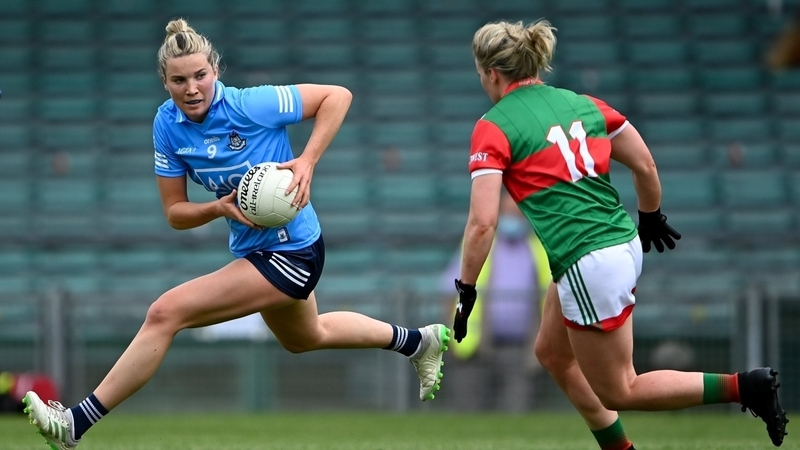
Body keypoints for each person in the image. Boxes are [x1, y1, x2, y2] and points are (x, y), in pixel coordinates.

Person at [23, 18, 450, 450]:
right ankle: (418, 342)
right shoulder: (167, 125)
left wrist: (307, 160)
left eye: (200, 76)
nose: (191, 88)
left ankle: (75, 422)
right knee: (306, 338)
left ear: (215, 72)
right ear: (165, 82)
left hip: (293, 250)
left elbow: (337, 97)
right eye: (179, 80)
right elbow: (175, 213)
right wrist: (215, 207)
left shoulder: (252, 105)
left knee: (165, 312)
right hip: (257, 250)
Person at [452, 19, 789, 449]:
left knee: (619, 389)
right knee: (552, 353)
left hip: (587, 259)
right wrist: (650, 216)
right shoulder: (584, 103)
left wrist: (466, 289)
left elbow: (483, 222)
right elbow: (645, 164)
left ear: (492, 73)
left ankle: (745, 387)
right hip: (622, 240)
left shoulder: (493, 125)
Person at [439, 190, 548, 412]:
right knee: (469, 414)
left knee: (516, 415)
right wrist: (450, 336)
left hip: (521, 349)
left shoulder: (538, 248)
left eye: (517, 214)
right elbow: (450, 291)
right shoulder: (478, 243)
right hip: (475, 347)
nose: (512, 219)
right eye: (507, 213)